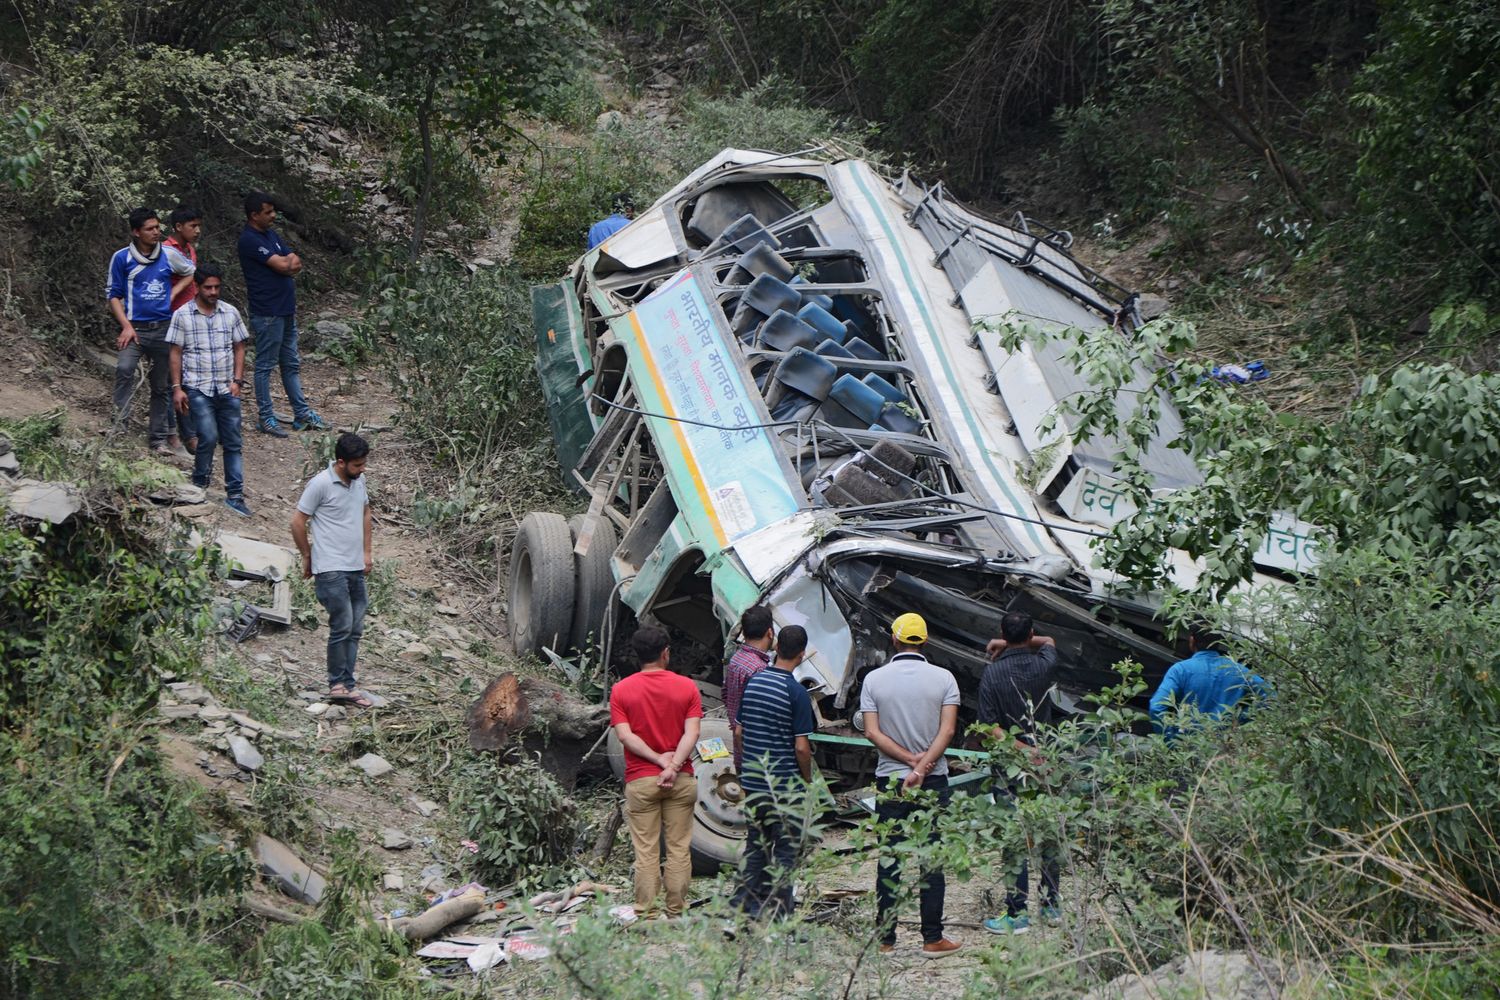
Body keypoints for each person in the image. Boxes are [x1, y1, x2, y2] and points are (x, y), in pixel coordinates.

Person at [859, 612, 963, 958]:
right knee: (931, 858)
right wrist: (922, 766)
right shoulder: (944, 678)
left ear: (894, 640)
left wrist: (907, 761)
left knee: (890, 857)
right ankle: (932, 938)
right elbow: (948, 731)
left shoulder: (873, 680)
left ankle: (885, 939)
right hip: (933, 780)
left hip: (890, 779)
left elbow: (871, 732)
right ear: (925, 641)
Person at [608, 627, 703, 919]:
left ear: (637, 655)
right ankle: (676, 912)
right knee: (678, 849)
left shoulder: (621, 690)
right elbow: (692, 733)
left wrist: (658, 760)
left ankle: (647, 914)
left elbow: (625, 736)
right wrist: (673, 766)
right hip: (681, 779)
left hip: (641, 780)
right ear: (666, 653)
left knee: (646, 851)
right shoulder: (687, 687)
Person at [978, 611, 1061, 935]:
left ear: (1002, 632)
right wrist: (1036, 752)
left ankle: (1017, 913)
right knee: (1048, 833)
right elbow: (1049, 640)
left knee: (1014, 837)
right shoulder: (1045, 664)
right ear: (1031, 634)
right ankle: (1051, 905)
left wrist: (1022, 751)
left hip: (1009, 766)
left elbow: (989, 727)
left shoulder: (992, 674)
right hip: (1046, 761)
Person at [735, 624, 816, 920]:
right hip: (783, 786)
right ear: (802, 655)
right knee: (785, 851)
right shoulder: (796, 693)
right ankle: (780, 916)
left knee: (756, 846)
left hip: (754, 781)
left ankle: (742, 910)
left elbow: (740, 732)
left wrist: (750, 762)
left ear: (777, 647)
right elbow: (802, 748)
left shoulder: (754, 682)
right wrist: (807, 781)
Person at [291, 433, 375, 707]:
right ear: (341, 462)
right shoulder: (321, 484)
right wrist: (307, 555)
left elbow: (365, 513)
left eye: (363, 464)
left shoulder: (359, 481)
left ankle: (347, 684)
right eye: (357, 465)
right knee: (343, 624)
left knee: (356, 627)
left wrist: (367, 553)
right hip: (330, 567)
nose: (362, 469)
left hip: (354, 565)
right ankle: (337, 683)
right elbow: (297, 521)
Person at [109, 207, 197, 458]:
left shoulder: (168, 254)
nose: (156, 232)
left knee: (161, 386)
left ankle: (158, 439)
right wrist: (126, 326)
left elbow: (190, 272)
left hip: (163, 328)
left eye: (158, 227)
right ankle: (118, 429)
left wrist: (173, 293)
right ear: (136, 232)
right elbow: (113, 296)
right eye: (150, 229)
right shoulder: (121, 258)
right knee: (124, 369)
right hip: (134, 330)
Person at [238, 191, 327, 438]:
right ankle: (266, 417)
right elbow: (283, 264)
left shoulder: (271, 235)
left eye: (273, 211)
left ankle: (302, 414)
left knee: (291, 363)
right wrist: (286, 264)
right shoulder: (249, 240)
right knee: (265, 365)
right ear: (254, 215)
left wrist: (287, 264)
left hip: (286, 309)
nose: (273, 216)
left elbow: (294, 261)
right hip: (268, 312)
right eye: (268, 212)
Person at [167, 264, 250, 517]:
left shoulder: (230, 312)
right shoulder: (182, 315)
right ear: (197, 287)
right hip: (197, 387)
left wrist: (237, 380)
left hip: (226, 387)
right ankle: (200, 482)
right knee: (209, 435)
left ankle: (235, 494)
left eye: (217, 287)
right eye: (208, 287)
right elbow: (175, 353)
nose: (213, 292)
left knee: (233, 441)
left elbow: (240, 346)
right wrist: (177, 388)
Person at [1149, 631, 1269, 741]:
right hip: (1228, 745)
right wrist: (1242, 718)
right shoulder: (1240, 671)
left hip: (1188, 746)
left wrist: (1170, 740)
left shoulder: (1180, 670)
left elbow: (1156, 707)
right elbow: (1271, 698)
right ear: (1219, 642)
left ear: (1192, 640)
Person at [163, 205, 204, 453]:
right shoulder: (167, 251)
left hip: (191, 320)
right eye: (193, 226)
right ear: (178, 227)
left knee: (188, 378)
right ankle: (177, 434)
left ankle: (191, 431)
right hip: (172, 320)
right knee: (173, 379)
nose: (197, 231)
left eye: (199, 226)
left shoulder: (189, 249)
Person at [724, 605, 775, 770]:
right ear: (770, 632)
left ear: (744, 633)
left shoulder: (736, 659)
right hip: (758, 756)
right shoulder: (760, 669)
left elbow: (725, 693)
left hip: (740, 750)